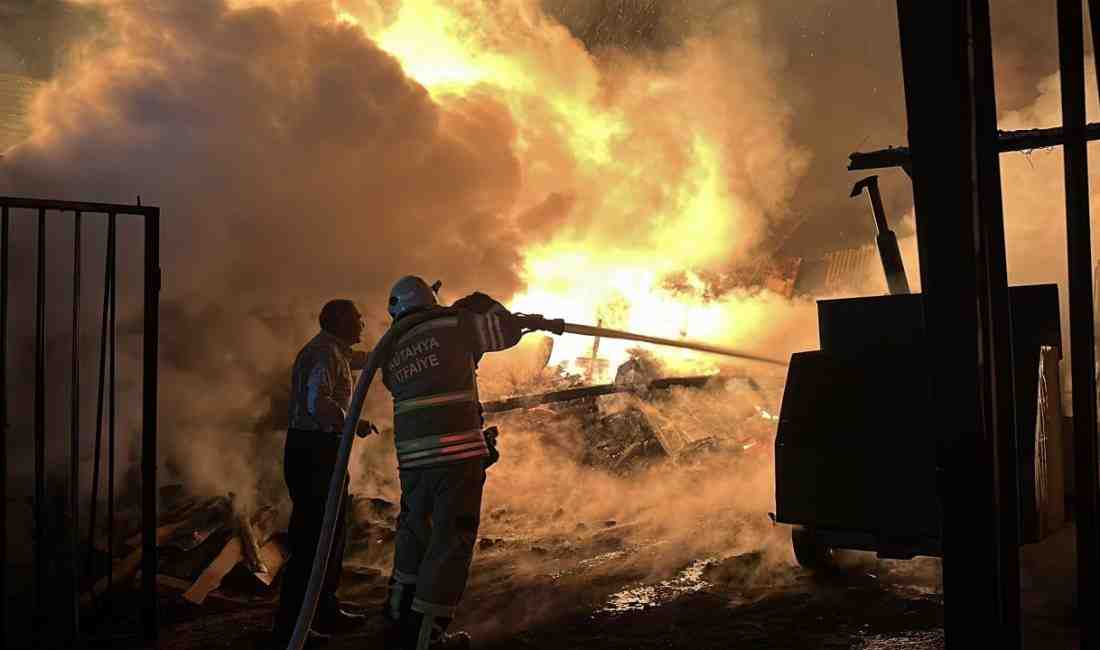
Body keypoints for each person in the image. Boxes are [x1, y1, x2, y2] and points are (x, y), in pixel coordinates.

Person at [380, 276, 525, 650]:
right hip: (455, 456)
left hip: (412, 459)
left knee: (415, 533)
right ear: (430, 300)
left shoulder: (391, 348)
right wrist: (481, 304)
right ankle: (428, 636)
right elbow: (505, 331)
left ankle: (398, 614)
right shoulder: (454, 325)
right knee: (451, 540)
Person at [271, 299, 374, 646]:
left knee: (330, 534)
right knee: (314, 539)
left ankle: (323, 610)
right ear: (341, 322)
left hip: (315, 450)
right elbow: (319, 404)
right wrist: (352, 424)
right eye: (357, 318)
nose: (362, 322)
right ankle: (294, 627)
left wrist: (393, 346)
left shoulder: (331, 351)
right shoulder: (325, 354)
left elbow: (360, 361)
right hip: (315, 452)